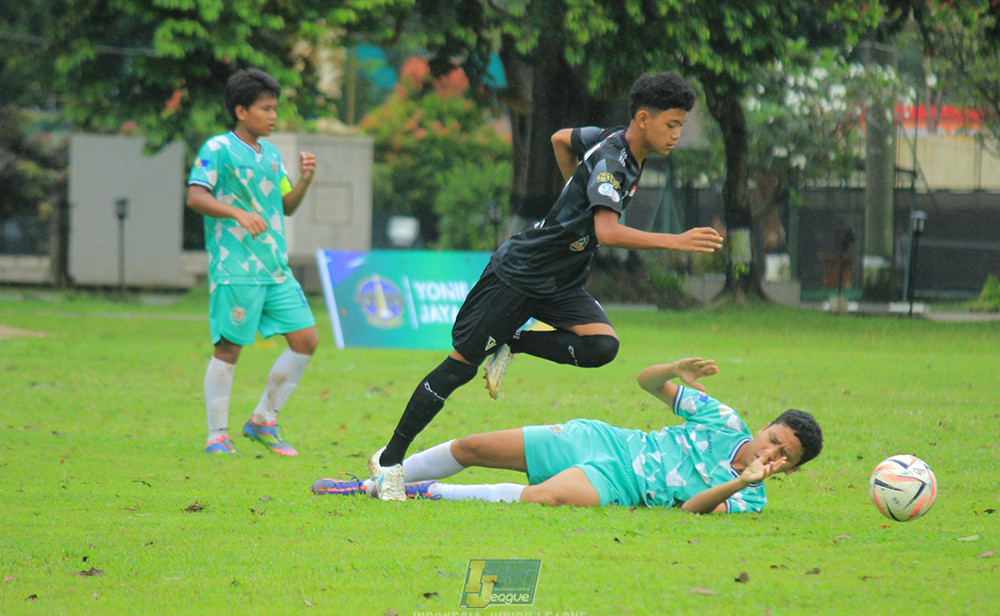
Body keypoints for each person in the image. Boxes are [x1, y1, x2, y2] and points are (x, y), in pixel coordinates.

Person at [366, 71, 726, 500]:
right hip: (520, 274)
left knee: (601, 347)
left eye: (681, 125)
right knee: (459, 368)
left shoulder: (611, 138)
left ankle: (513, 341)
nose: (678, 134)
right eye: (673, 124)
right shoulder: (613, 160)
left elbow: (560, 139)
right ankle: (389, 461)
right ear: (644, 119)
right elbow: (607, 232)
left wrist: (576, 192)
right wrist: (675, 241)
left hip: (561, 280)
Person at [319, 357, 822, 513]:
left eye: (786, 456)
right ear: (765, 428)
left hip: (620, 485)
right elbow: (645, 382)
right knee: (473, 447)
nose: (772, 452)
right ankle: (374, 481)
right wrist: (674, 370)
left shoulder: (750, 499)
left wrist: (740, 482)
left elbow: (691, 510)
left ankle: (424, 491)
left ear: (791, 471)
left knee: (544, 498)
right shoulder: (725, 422)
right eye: (775, 439)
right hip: (606, 442)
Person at [186, 68, 318, 456]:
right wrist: (237, 213)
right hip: (235, 268)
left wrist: (305, 181)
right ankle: (217, 436)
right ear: (241, 111)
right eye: (266, 109)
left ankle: (263, 419)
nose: (273, 116)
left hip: (275, 267)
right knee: (229, 349)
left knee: (306, 340)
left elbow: (286, 206)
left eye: (275, 108)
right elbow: (196, 196)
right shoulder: (217, 149)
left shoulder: (272, 155)